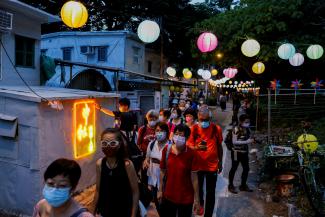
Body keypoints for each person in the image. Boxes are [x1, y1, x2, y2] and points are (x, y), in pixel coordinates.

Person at [92, 128, 139, 217]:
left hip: (124, 211)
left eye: (113, 143)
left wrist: (133, 215)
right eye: (104, 143)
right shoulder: (100, 164)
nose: (108, 146)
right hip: (105, 210)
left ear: (119, 144)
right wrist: (91, 212)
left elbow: (135, 192)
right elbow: (98, 190)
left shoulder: (127, 164)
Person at [187, 105, 223, 217]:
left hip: (212, 166)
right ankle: (200, 205)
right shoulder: (194, 129)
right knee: (199, 190)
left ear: (210, 119)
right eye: (202, 120)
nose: (204, 122)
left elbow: (219, 146)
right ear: (198, 118)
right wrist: (196, 148)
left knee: (211, 192)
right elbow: (189, 145)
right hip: (197, 166)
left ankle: (208, 214)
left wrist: (220, 162)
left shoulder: (216, 129)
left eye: (206, 120)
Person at [158, 124, 200, 217]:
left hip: (186, 198)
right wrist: (160, 190)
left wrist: (197, 199)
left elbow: (194, 178)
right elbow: (162, 171)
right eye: (176, 134)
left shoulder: (192, 154)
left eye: (181, 135)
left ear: (187, 137)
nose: (177, 137)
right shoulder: (167, 150)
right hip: (168, 195)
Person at [143, 122, 170, 207]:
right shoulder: (151, 144)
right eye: (157, 130)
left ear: (166, 132)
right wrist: (146, 162)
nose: (159, 133)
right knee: (157, 204)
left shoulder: (170, 146)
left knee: (165, 205)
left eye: (161, 131)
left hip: (166, 181)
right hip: (153, 179)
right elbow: (147, 158)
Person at [228, 114, 254, 194]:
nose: (248, 123)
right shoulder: (236, 129)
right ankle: (231, 185)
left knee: (246, 168)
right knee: (234, 168)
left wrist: (252, 140)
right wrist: (247, 141)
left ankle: (243, 185)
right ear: (241, 121)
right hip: (236, 152)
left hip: (244, 152)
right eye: (246, 122)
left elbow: (249, 138)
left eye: (248, 122)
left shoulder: (247, 129)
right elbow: (234, 141)